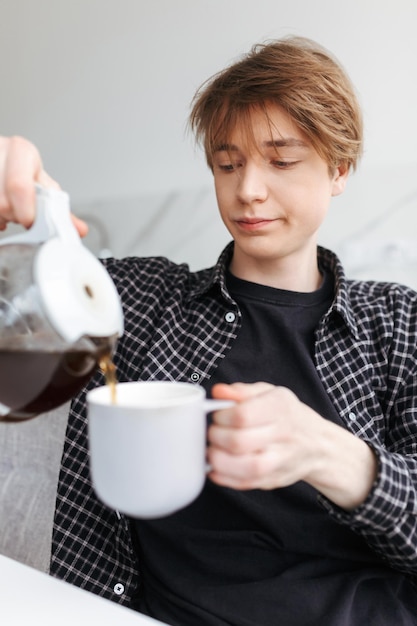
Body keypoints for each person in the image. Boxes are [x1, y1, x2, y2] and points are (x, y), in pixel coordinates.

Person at [1, 35, 417, 625]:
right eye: (227, 163)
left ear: (339, 169)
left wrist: (331, 454)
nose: (247, 189)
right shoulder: (137, 301)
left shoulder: (398, 324)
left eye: (281, 160)